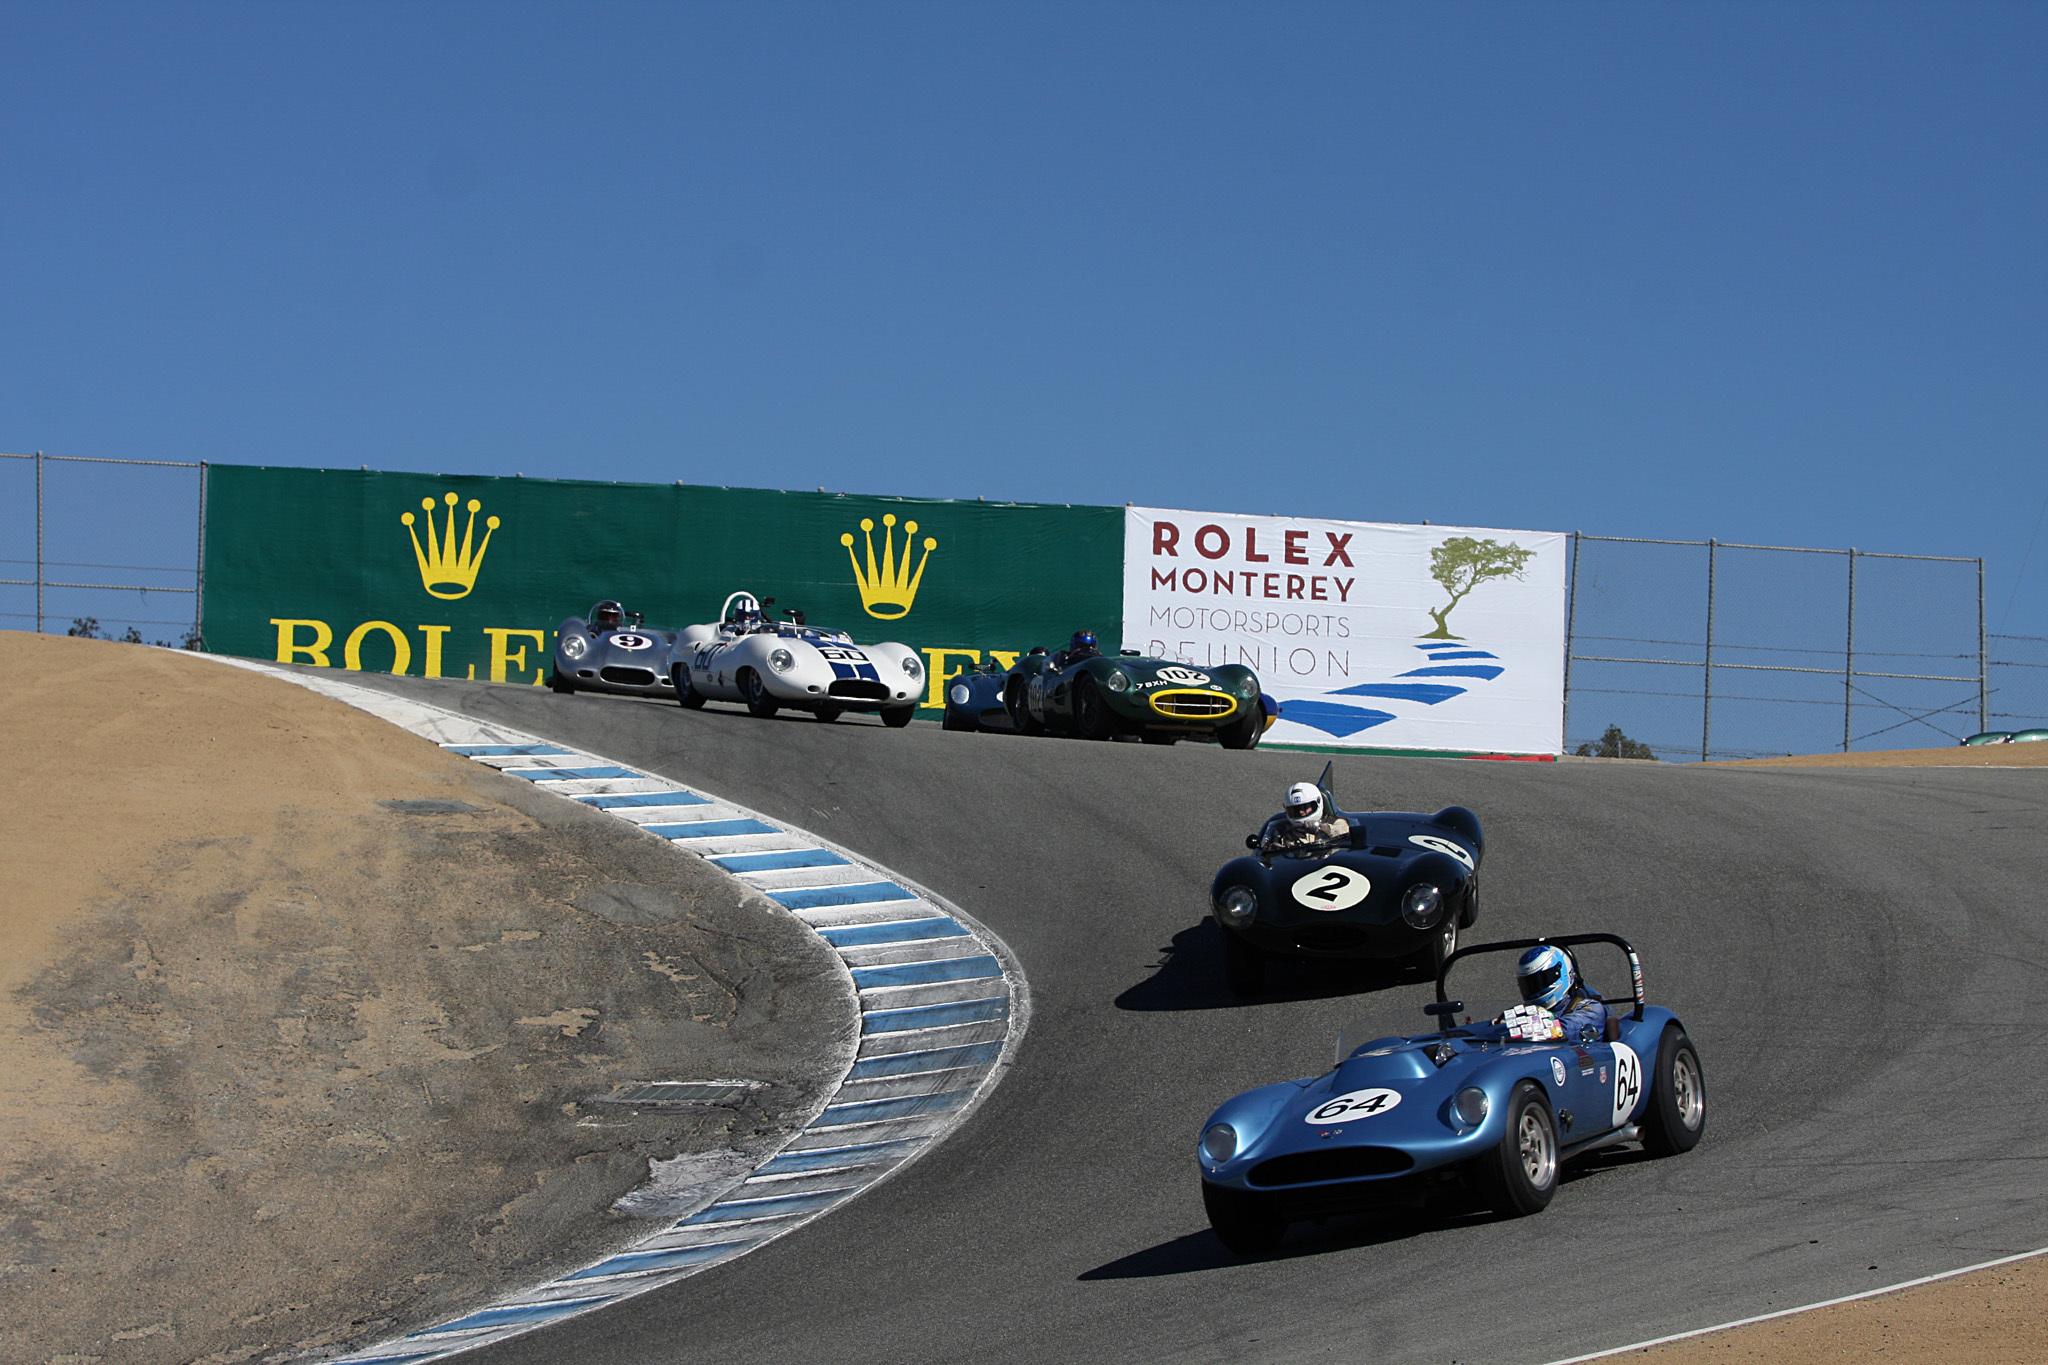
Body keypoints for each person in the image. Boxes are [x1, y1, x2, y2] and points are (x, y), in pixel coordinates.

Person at [1500, 944, 1609, 1044]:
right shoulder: (1525, 1012)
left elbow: (1564, 1030)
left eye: (1541, 981)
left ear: (1565, 974)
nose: (1535, 988)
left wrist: (1518, 1028)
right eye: (1529, 984)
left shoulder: (1591, 1009)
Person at [1257, 780, 1351, 853]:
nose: (1301, 812)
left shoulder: (1335, 822)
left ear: (1317, 803)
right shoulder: (1283, 830)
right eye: (1295, 809)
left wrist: (1323, 828)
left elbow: (1347, 833)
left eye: (1305, 807)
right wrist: (1275, 848)